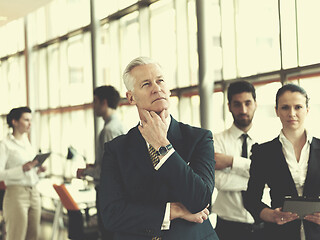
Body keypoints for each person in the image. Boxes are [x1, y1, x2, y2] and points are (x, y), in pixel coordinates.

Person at [99, 56, 219, 240]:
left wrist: (163, 146)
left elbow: (200, 200)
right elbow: (111, 215)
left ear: (168, 89)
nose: (156, 88)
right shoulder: (116, 149)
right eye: (146, 84)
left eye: (160, 81)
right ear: (131, 97)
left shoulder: (199, 138)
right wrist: (174, 210)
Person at [244, 83, 320, 240]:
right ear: (277, 111)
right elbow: (251, 199)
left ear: (307, 110)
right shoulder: (263, 153)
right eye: (285, 107)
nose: (291, 113)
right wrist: (271, 215)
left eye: (298, 107)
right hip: (280, 233)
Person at [212, 81, 263, 240]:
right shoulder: (215, 140)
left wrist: (231, 162)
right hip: (228, 225)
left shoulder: (268, 140)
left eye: (248, 103)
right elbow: (219, 181)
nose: (243, 110)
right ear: (229, 106)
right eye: (237, 104)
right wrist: (259, 178)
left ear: (255, 104)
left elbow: (273, 179)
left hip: (263, 223)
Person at [77, 85, 125, 240]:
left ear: (104, 102)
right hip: (115, 192)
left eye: (95, 101)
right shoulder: (116, 126)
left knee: (107, 234)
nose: (93, 105)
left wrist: (84, 172)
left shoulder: (109, 130)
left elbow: (108, 170)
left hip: (108, 192)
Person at [0, 106, 46, 240]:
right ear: (14, 122)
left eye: (31, 120)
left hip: (34, 193)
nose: (30, 124)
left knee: (33, 235)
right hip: (16, 195)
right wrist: (22, 169)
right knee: (16, 236)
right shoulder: (4, 145)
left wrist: (38, 171)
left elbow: (29, 172)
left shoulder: (27, 143)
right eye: (26, 120)